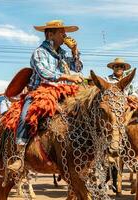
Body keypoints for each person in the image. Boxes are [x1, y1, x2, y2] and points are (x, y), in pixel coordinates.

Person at [7, 20, 84, 171]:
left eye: (64, 32)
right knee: (25, 116)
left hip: (62, 92)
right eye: (61, 32)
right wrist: (67, 77)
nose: (65, 35)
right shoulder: (39, 52)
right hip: (39, 92)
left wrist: (75, 51)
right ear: (50, 34)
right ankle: (19, 154)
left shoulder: (62, 54)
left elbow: (78, 67)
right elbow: (45, 73)